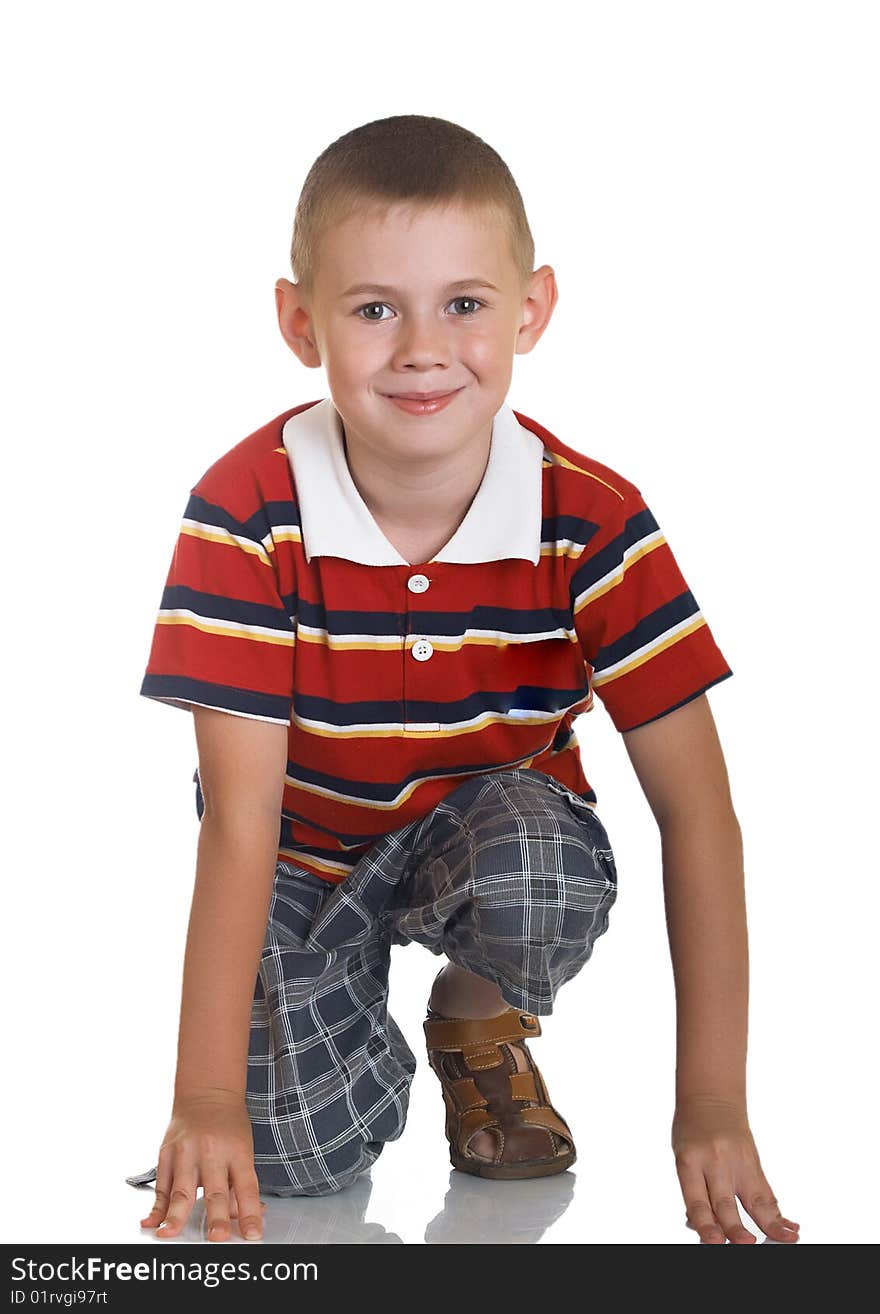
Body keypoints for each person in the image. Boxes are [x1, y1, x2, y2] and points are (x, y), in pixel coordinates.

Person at [126, 114, 800, 1246]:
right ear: (302, 324)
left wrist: (712, 1101)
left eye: (466, 305)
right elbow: (238, 818)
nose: (423, 349)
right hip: (299, 854)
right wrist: (204, 1098)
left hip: (488, 839)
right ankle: (325, 1015)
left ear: (531, 310)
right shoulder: (245, 513)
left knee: (541, 869)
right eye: (374, 308)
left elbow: (697, 812)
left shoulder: (590, 519)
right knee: (288, 1159)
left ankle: (475, 1020)